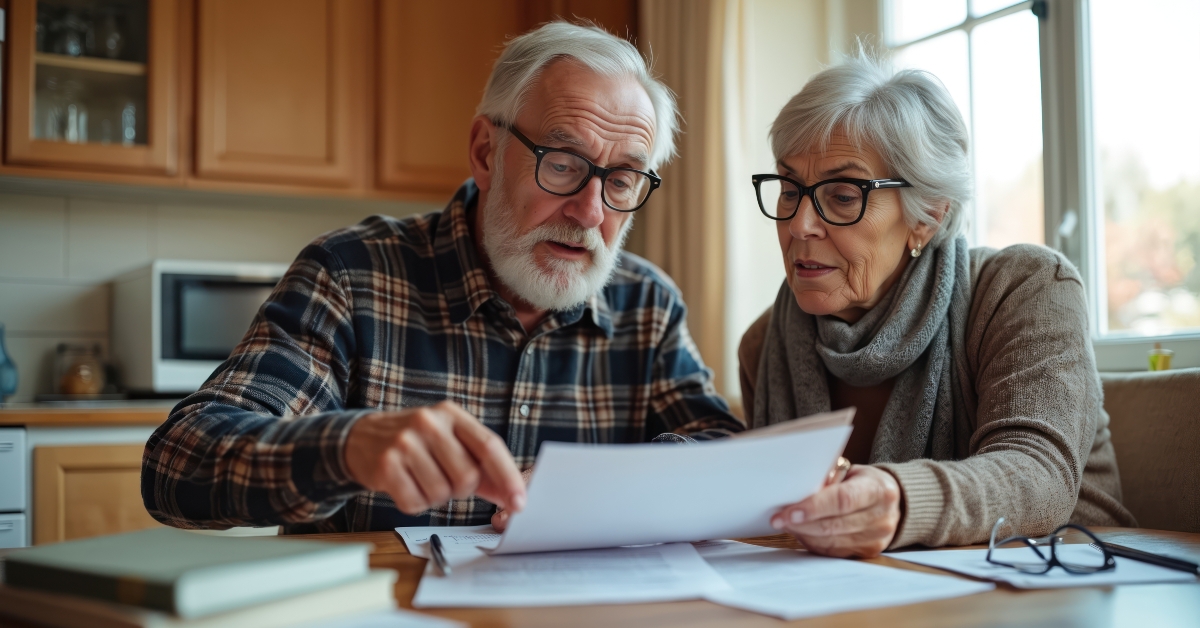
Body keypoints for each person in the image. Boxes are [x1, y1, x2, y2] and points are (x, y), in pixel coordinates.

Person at [141, 22, 742, 534]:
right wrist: (347, 447)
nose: (591, 213)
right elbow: (178, 462)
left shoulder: (647, 304)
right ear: (486, 152)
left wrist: (614, 482)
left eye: (621, 181)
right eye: (561, 164)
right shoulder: (352, 276)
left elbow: (726, 453)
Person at [739, 53, 1136, 558]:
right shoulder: (762, 344)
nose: (799, 225)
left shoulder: (1024, 289)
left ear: (927, 215)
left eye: (842, 196)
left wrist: (901, 501)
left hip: (1064, 580)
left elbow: (1038, 476)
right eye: (790, 189)